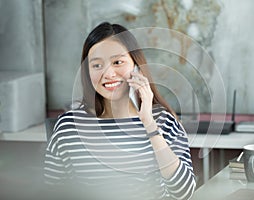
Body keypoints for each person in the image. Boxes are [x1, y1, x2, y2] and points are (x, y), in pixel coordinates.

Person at [44, 22, 196, 200]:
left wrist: (149, 123)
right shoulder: (68, 127)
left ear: (136, 66)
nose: (108, 74)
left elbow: (184, 193)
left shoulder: (163, 121)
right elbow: (52, 192)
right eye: (97, 65)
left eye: (118, 62)